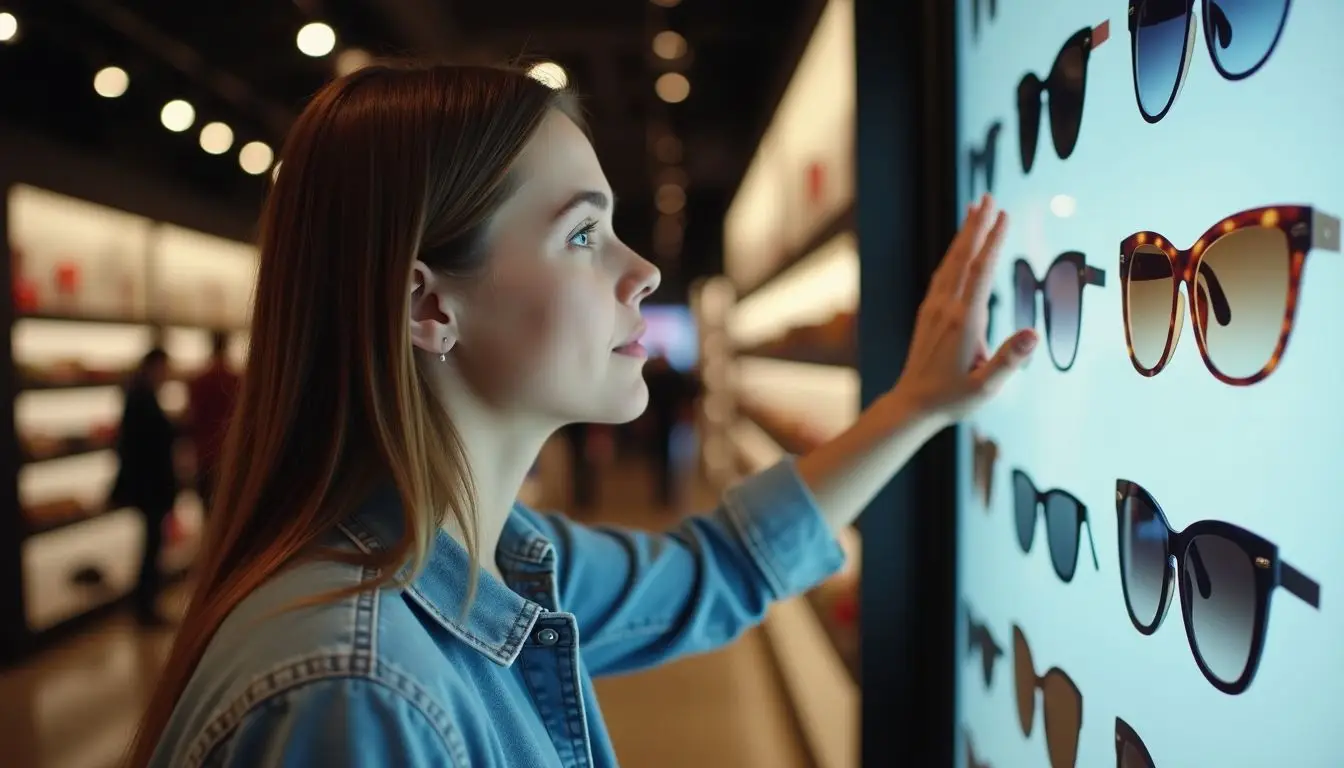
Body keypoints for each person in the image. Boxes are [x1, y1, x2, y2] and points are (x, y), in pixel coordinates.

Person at [127, 62, 1036, 767]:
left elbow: (713, 569)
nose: (640, 271)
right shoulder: (359, 690)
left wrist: (916, 407)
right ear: (428, 309)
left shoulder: (483, 563)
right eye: (581, 235)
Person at [109, 347, 178, 628]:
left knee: (152, 546)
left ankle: (147, 604)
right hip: (150, 488)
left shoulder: (138, 395)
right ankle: (145, 606)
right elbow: (145, 446)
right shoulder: (141, 397)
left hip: (149, 487)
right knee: (151, 547)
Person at [186, 331, 241, 515]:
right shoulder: (236, 379)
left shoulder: (198, 380)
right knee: (229, 512)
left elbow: (192, 417)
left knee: (208, 513)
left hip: (203, 454)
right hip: (230, 454)